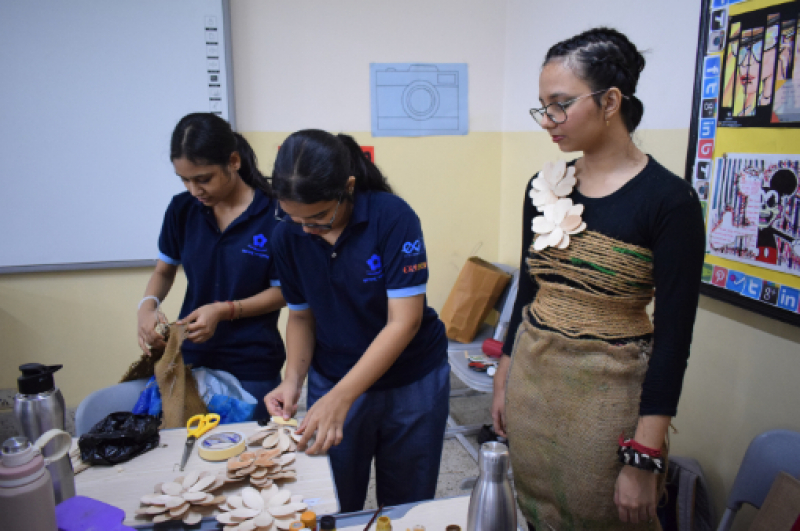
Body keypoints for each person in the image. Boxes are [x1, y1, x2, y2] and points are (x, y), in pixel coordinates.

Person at [491, 28, 705, 530]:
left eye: (560, 105)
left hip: (607, 406)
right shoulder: (544, 187)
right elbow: (529, 292)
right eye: (542, 107)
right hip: (533, 388)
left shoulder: (669, 202)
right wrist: (504, 375)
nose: (548, 120)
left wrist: (644, 456)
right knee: (537, 513)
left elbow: (674, 339)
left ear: (610, 101)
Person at [264, 129, 450, 513]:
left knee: (406, 505)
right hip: (333, 373)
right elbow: (300, 315)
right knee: (332, 499)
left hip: (411, 379)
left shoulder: (391, 217)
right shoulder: (286, 235)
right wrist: (292, 380)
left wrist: (340, 398)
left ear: (347, 187)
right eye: (294, 217)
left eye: (319, 216)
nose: (307, 229)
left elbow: (404, 322)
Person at [136, 112, 286, 420]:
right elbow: (164, 270)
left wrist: (224, 310)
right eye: (185, 180)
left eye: (203, 179)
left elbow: (284, 293)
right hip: (192, 356)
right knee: (181, 443)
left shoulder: (275, 215)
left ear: (233, 161)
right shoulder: (182, 209)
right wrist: (147, 306)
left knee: (248, 449)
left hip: (252, 363)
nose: (194, 190)